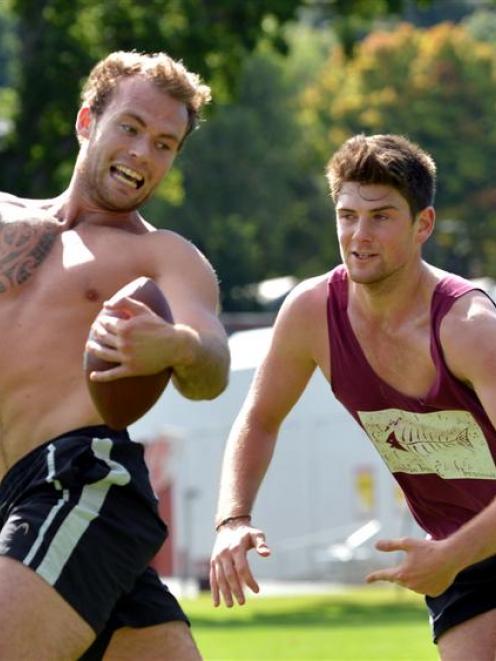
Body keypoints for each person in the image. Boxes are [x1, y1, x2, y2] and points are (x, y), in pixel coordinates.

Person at [210, 133, 496, 660]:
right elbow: (260, 419)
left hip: (459, 549)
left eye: (382, 216)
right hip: (466, 556)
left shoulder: (470, 329)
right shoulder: (311, 314)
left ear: (422, 225)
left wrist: (449, 554)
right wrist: (233, 519)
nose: (359, 235)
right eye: (347, 215)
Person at [0, 50, 230, 660]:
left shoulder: (164, 257)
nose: (142, 154)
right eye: (130, 128)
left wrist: (175, 344)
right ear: (86, 122)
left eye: (164, 143)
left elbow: (212, 362)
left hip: (75, 481)